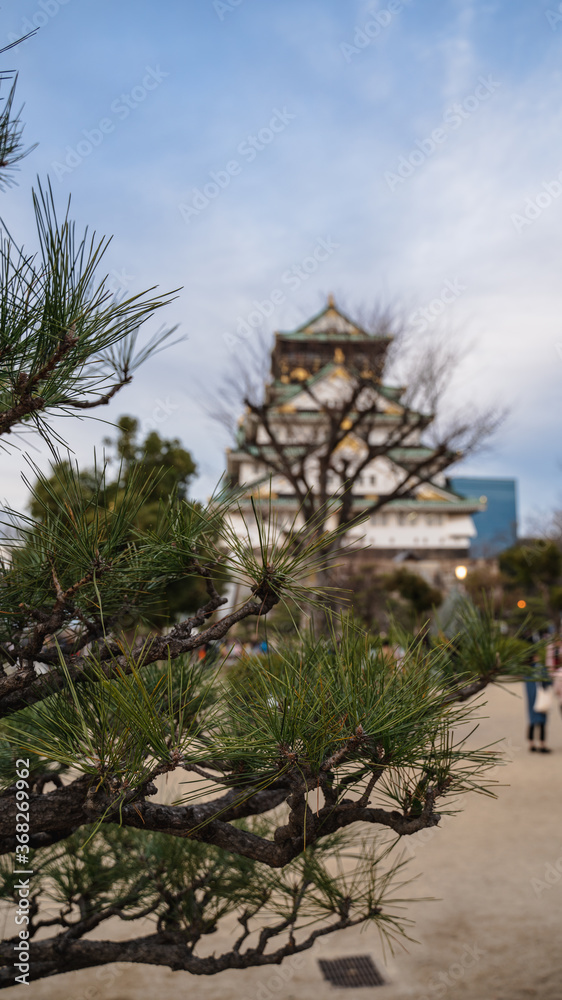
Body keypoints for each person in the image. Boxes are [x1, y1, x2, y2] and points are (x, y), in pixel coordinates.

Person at [524, 631, 553, 753]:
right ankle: (542, 744)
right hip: (540, 696)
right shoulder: (539, 668)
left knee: (531, 720)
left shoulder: (526, 669)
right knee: (541, 721)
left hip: (530, 698)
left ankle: (531, 744)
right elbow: (548, 681)